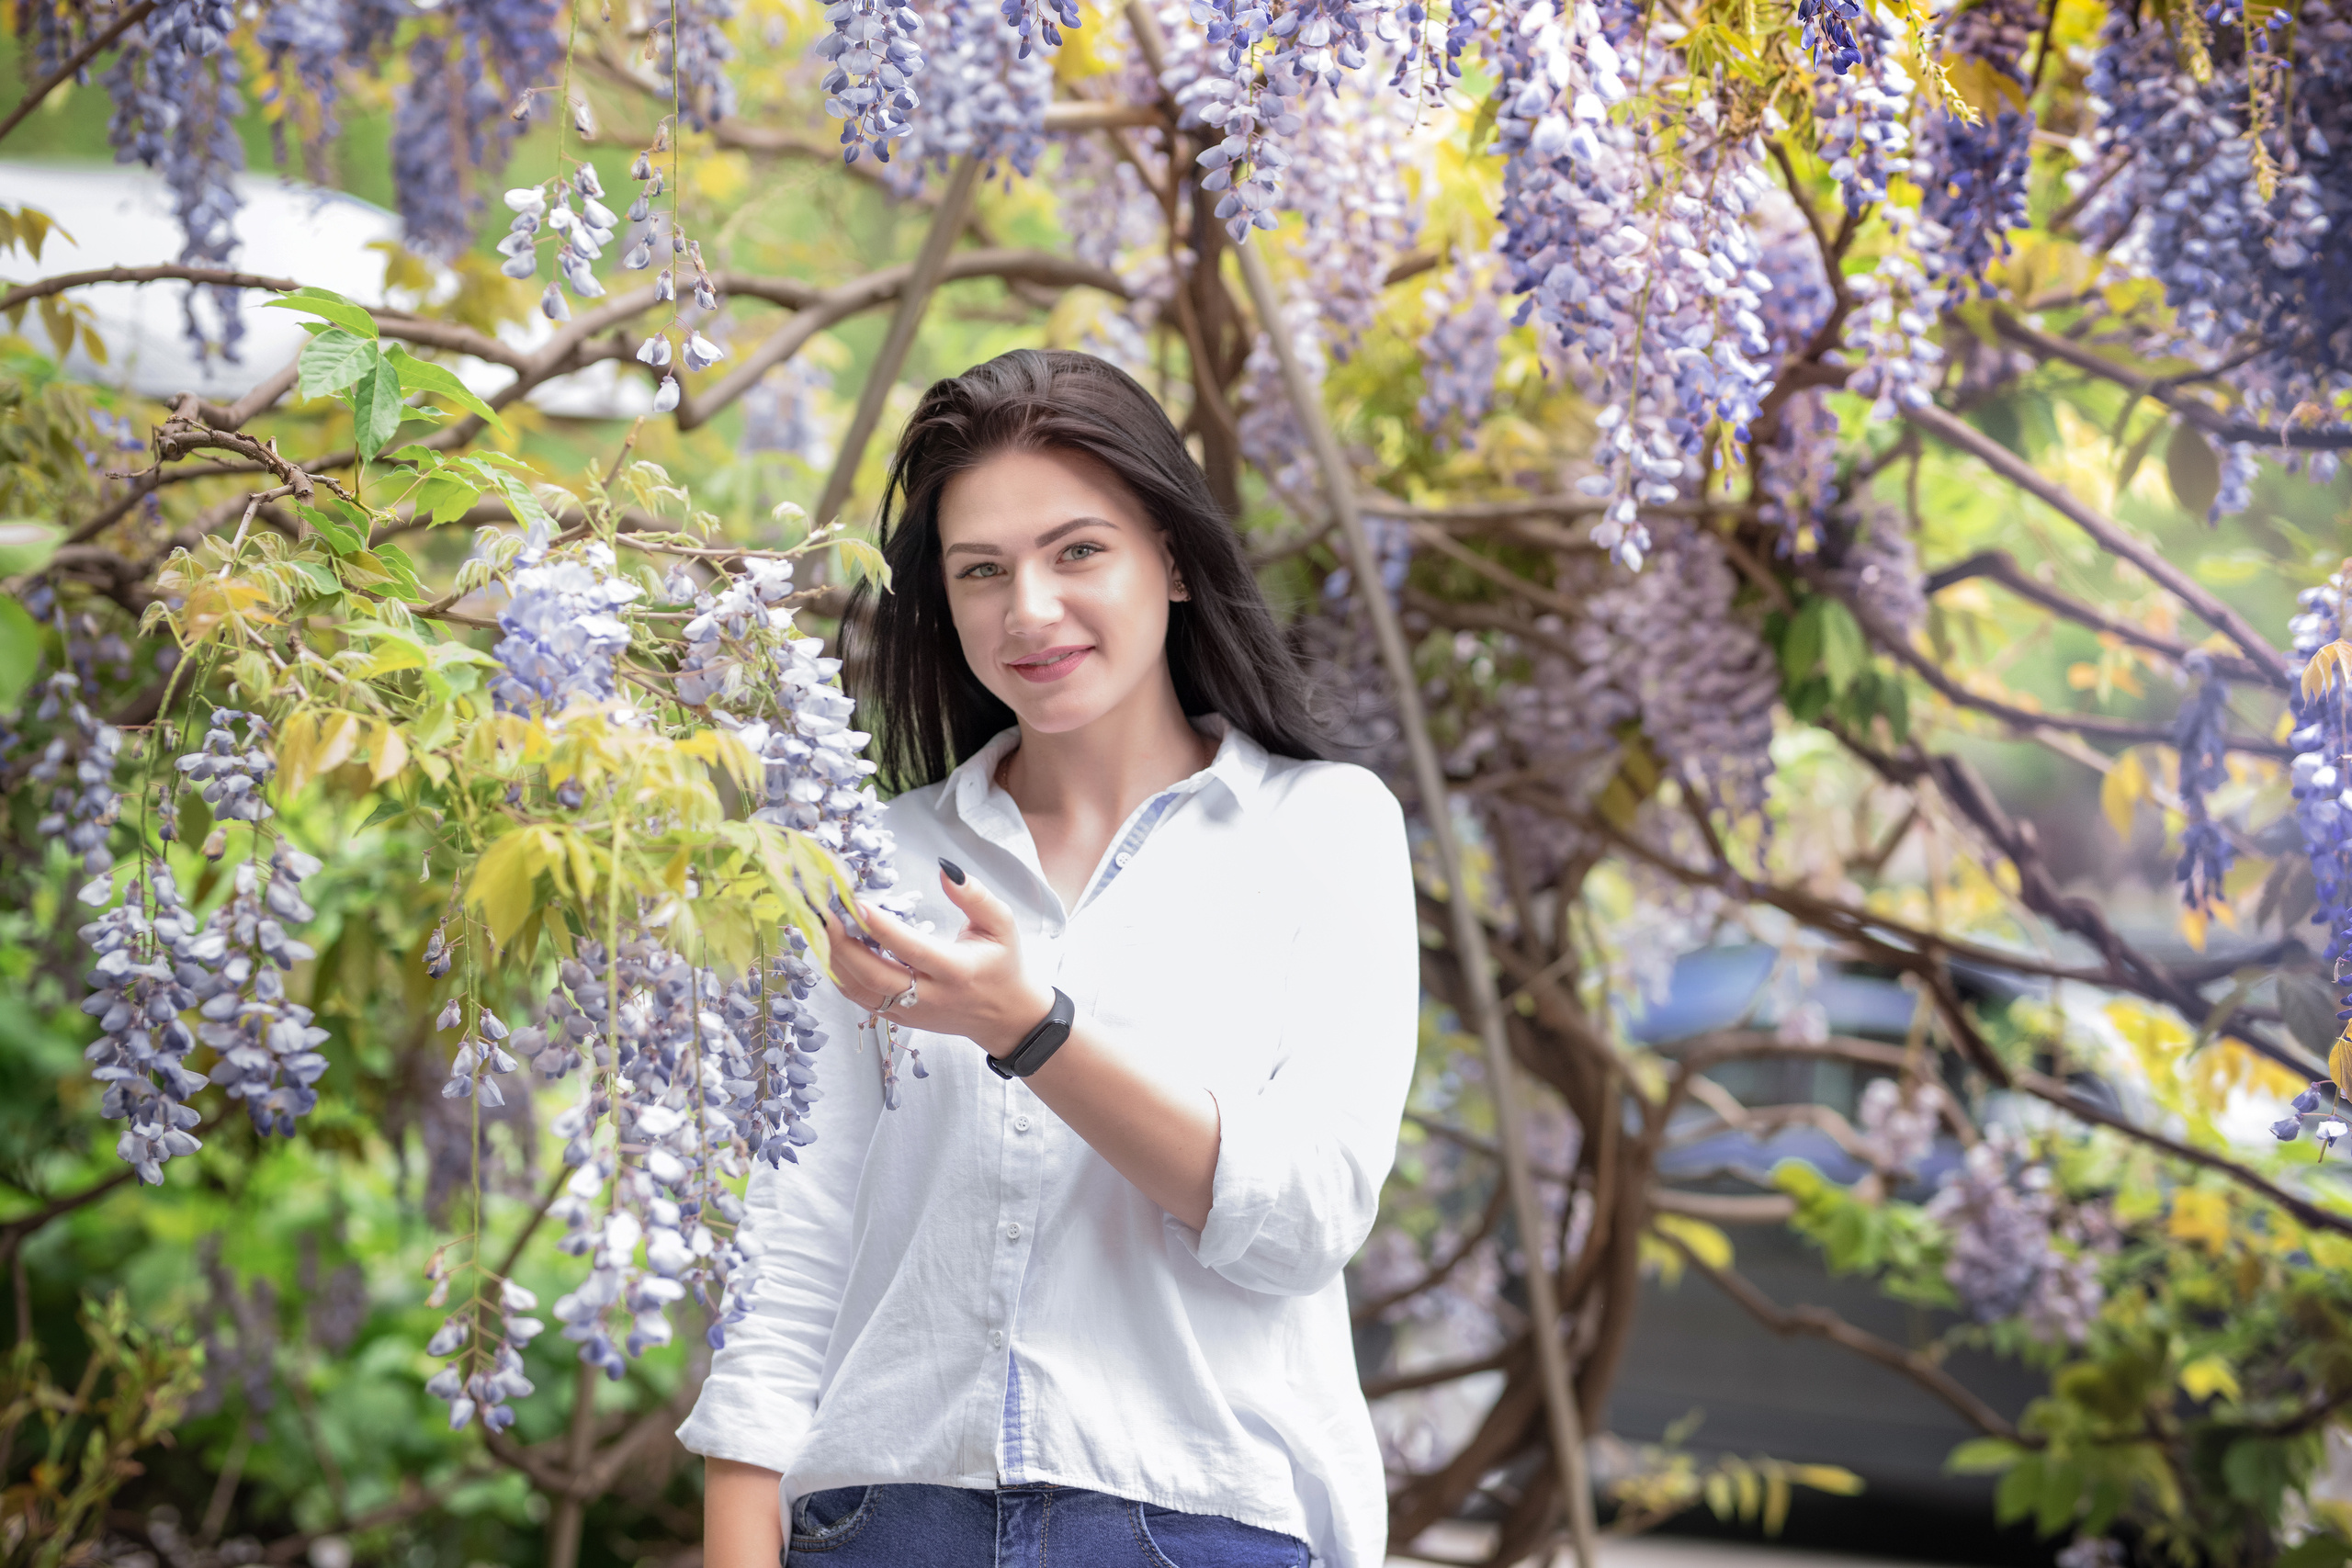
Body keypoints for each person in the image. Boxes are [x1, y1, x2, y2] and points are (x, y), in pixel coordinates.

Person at [678, 348, 1417, 1568]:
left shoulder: (1323, 829)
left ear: (1170, 559)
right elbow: (795, 1246)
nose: (1028, 609)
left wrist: (1033, 1031)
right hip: (886, 1523)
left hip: (1193, 1522)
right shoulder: (873, 859)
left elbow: (1303, 1220)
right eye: (982, 570)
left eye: (1078, 551)